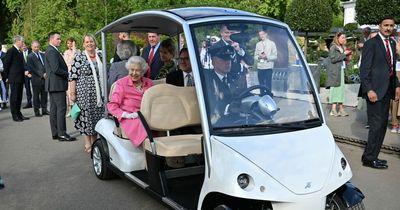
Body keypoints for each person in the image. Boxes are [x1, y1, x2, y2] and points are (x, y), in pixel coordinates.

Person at [360, 16, 400, 169]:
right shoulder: (371, 43)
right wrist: (369, 89)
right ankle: (369, 159)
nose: (388, 28)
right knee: (376, 126)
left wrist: (396, 85)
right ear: (379, 26)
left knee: (382, 125)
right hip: (375, 92)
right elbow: (365, 69)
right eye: (386, 25)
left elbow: (391, 67)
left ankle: (372, 155)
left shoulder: (392, 42)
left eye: (391, 25)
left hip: (387, 90)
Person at [69, 34, 104, 153]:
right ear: (83, 44)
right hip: (84, 93)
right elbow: (72, 77)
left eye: (91, 41)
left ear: (95, 43)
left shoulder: (100, 55)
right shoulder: (79, 57)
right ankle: (87, 144)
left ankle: (95, 143)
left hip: (99, 94)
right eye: (87, 42)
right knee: (86, 118)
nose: (90, 44)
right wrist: (72, 93)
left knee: (96, 117)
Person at [107, 56, 153, 147]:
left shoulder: (149, 83)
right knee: (143, 127)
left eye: (137, 70)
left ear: (143, 71)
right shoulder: (122, 83)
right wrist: (126, 115)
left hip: (148, 116)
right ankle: (149, 154)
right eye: (132, 70)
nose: (134, 73)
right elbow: (112, 106)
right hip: (130, 119)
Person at [45, 31, 76, 142]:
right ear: (52, 39)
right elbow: (56, 68)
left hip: (53, 84)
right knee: (61, 109)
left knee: (54, 109)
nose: (60, 40)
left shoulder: (51, 50)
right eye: (58, 38)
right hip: (57, 84)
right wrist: (68, 74)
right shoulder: (52, 51)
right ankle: (62, 133)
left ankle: (56, 133)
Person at [204, 44, 246, 125]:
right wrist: (228, 108)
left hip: (238, 123)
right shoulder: (207, 81)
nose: (227, 62)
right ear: (213, 62)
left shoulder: (236, 78)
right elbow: (211, 105)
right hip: (216, 125)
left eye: (229, 59)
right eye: (223, 59)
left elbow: (244, 95)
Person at [2, 35, 30, 122]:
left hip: (20, 77)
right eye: (22, 41)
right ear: (17, 41)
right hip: (13, 78)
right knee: (14, 97)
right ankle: (15, 115)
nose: (23, 43)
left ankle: (19, 113)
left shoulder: (19, 51)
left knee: (19, 97)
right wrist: (6, 77)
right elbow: (6, 65)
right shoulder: (11, 51)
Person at [326, 32, 352, 117]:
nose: (344, 39)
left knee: (341, 90)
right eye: (343, 37)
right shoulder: (333, 47)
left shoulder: (342, 47)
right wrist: (344, 54)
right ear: (337, 38)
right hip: (335, 72)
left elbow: (343, 59)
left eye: (345, 38)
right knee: (335, 90)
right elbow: (333, 59)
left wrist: (348, 57)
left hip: (341, 70)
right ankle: (333, 109)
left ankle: (341, 109)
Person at [27, 40, 48, 117]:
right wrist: (42, 74)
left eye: (38, 47)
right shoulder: (30, 56)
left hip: (45, 79)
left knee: (44, 95)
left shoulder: (43, 55)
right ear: (32, 47)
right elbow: (32, 69)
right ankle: (37, 111)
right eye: (35, 47)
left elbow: (45, 65)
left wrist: (46, 73)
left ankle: (44, 109)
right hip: (36, 79)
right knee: (36, 96)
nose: (36, 48)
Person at [63, 37, 80, 116]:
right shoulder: (66, 52)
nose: (69, 45)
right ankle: (70, 109)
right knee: (69, 92)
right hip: (70, 73)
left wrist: (75, 50)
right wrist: (73, 51)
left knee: (77, 91)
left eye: (71, 43)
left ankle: (78, 108)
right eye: (68, 43)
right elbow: (68, 61)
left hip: (78, 73)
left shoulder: (78, 51)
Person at [21, 43, 33, 109]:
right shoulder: (20, 54)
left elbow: (33, 63)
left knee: (35, 88)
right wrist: (24, 72)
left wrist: (29, 71)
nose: (23, 47)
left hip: (32, 73)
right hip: (25, 74)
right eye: (22, 46)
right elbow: (20, 64)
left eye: (24, 45)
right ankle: (29, 103)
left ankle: (38, 102)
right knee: (27, 89)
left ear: (26, 46)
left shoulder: (31, 52)